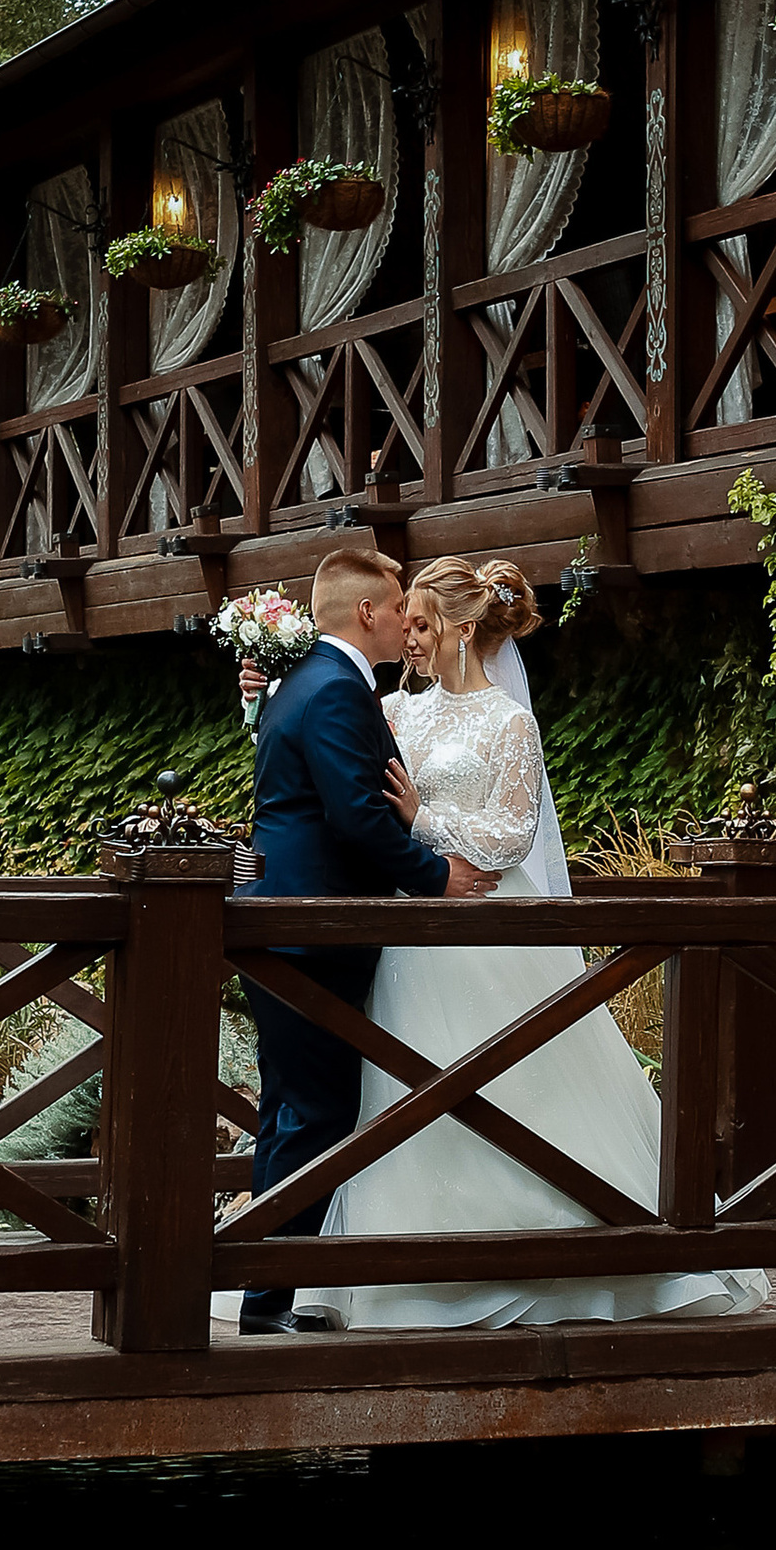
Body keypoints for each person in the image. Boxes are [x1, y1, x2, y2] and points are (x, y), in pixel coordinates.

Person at [315, 555, 768, 1331]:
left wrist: (425, 821)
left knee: (520, 1082)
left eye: (422, 624)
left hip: (498, 935)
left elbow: (512, 835)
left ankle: (568, 1247)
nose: (410, 638)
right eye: (407, 623)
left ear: (461, 629)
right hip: (414, 933)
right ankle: (398, 1266)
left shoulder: (509, 722)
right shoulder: (397, 712)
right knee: (405, 1089)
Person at [231, 548, 500, 1338]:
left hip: (281, 920)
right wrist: (432, 878)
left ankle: (262, 1285)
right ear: (366, 615)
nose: (402, 621)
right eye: (393, 607)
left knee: (287, 1106)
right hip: (315, 929)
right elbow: (355, 814)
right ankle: (268, 1297)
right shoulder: (338, 691)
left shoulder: (299, 685)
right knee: (315, 1111)